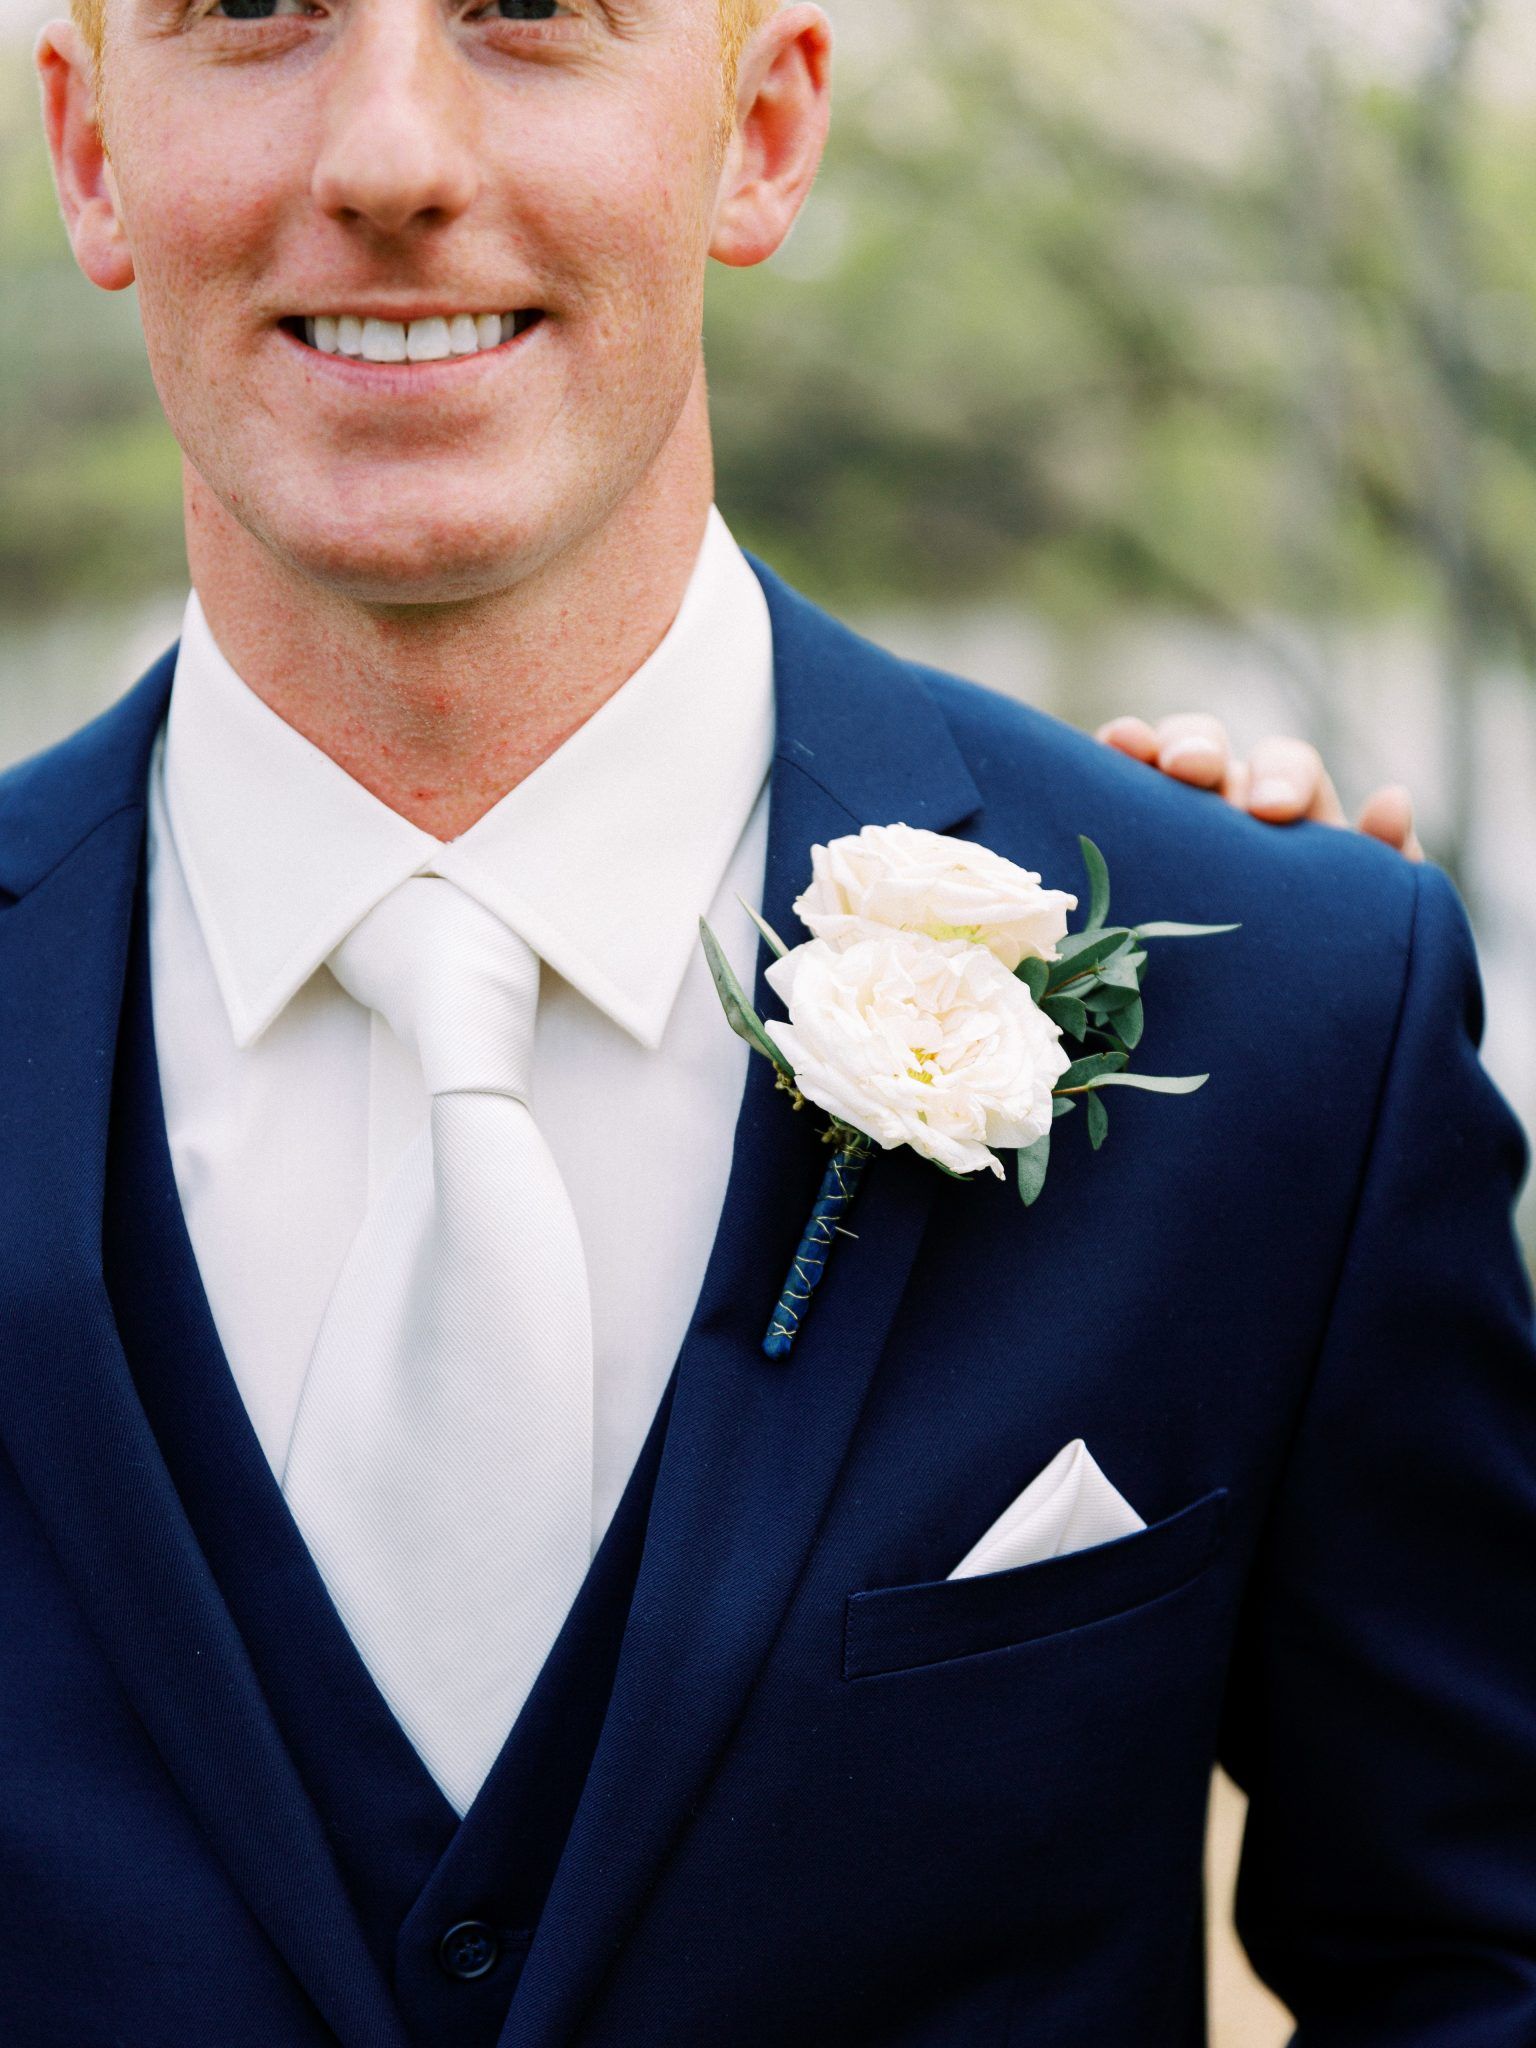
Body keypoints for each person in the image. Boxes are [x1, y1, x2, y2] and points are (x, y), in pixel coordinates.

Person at [7, 0, 1533, 2042]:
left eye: (532, 11)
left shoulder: (1279, 1016)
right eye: (253, 9)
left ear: (766, 130)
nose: (390, 153)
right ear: (92, 146)